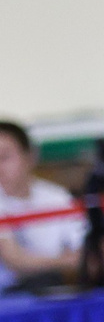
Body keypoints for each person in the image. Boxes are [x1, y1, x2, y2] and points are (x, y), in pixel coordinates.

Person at [0, 121, 84, 294]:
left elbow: (83, 251)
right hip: (11, 297)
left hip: (58, 285)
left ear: (30, 156)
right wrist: (65, 261)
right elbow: (15, 260)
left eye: (4, 157)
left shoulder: (57, 197)